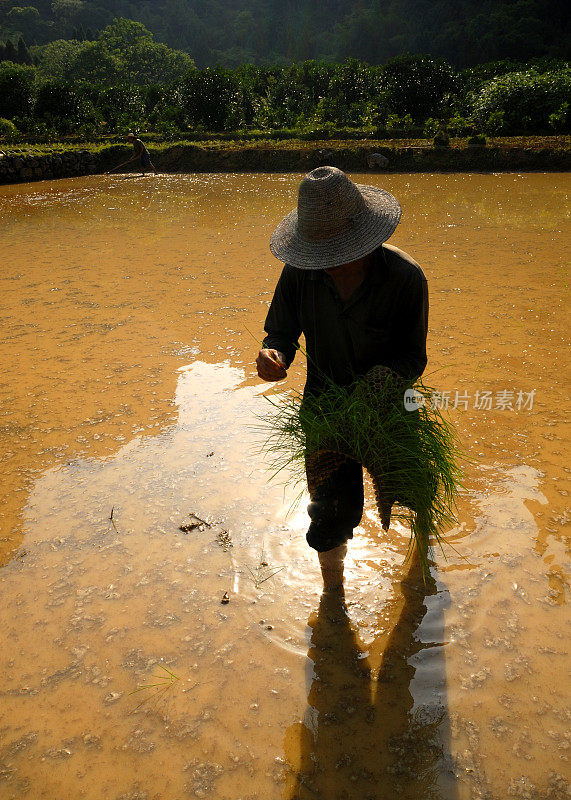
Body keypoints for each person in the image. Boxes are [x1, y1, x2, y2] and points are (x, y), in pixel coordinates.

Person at [256, 166, 428, 590]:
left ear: (368, 241)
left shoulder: (406, 279)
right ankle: (333, 595)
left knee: (410, 490)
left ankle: (422, 567)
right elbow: (280, 333)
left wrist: (384, 379)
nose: (328, 265)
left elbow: (413, 357)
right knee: (329, 513)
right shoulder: (300, 272)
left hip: (390, 410)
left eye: (339, 255)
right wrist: (273, 355)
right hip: (326, 412)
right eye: (321, 257)